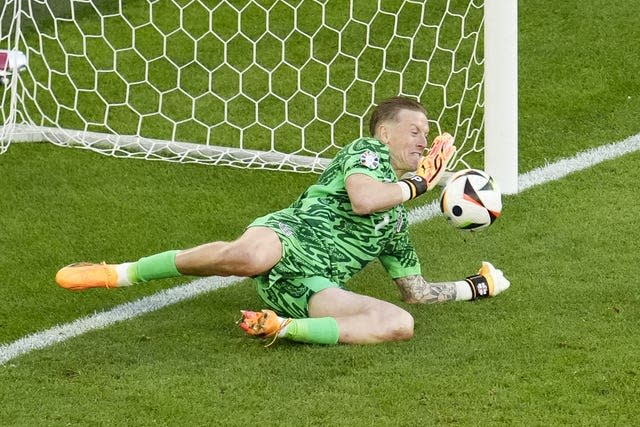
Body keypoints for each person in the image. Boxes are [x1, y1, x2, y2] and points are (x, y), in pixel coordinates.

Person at [56, 96, 510, 346]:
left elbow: (416, 293)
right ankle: (119, 273)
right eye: (415, 131)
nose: (423, 141)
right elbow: (364, 199)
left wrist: (475, 287)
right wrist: (420, 185)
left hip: (306, 288)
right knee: (251, 256)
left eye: (427, 135)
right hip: (285, 238)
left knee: (398, 324)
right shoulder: (364, 153)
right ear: (384, 132)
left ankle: (278, 327)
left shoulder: (396, 229)